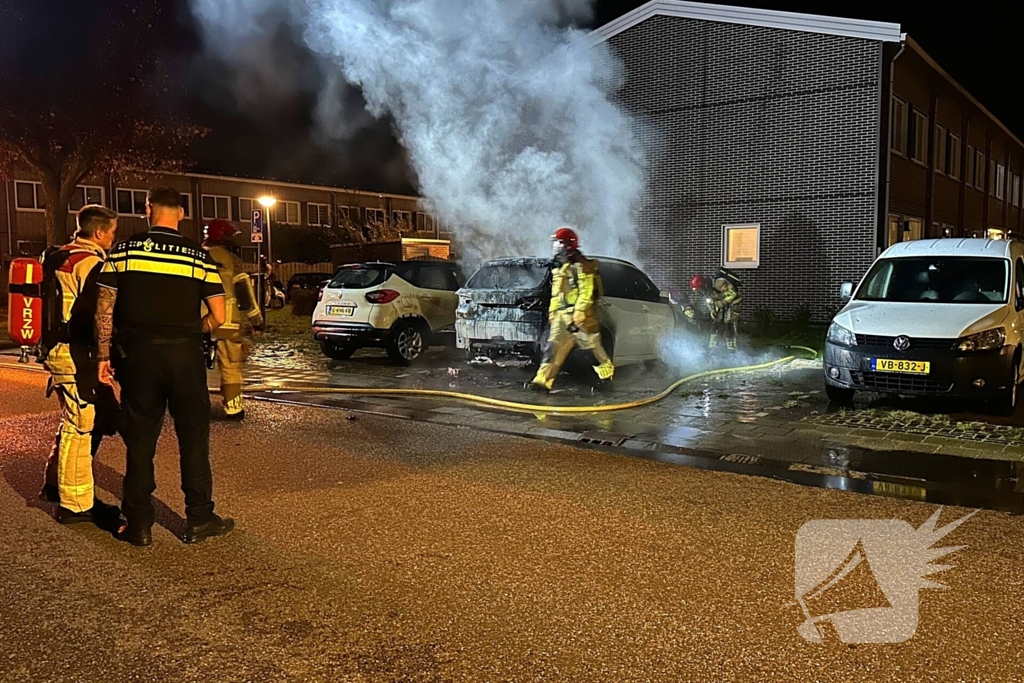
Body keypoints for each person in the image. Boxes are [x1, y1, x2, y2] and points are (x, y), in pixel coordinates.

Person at [95, 186, 232, 547]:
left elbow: (104, 308)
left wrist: (103, 357)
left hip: (139, 357)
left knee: (140, 441)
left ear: (147, 210)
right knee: (194, 438)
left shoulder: (122, 250)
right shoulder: (197, 256)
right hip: (184, 356)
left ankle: (138, 524)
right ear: (182, 213)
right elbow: (220, 315)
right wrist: (192, 330)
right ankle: (199, 518)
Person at [38, 205, 122, 526]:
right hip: (75, 352)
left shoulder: (56, 255)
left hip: (53, 348)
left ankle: (53, 482)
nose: (113, 237)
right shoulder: (92, 264)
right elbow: (98, 316)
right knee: (81, 423)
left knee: (72, 415)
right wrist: (106, 355)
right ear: (98, 232)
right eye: (112, 232)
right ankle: (74, 504)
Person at [531, 227, 614, 392]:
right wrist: (553, 312)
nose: (555, 246)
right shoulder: (559, 267)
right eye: (555, 242)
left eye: (559, 242)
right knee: (553, 347)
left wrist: (579, 313)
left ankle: (606, 378)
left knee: (592, 348)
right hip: (562, 316)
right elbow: (557, 294)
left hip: (580, 317)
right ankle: (542, 381)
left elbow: (586, 292)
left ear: (568, 245)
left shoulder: (582, 266)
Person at [202, 218, 263, 419]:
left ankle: (192, 405)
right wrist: (256, 320)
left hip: (198, 319)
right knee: (230, 364)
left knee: (190, 364)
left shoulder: (196, 255)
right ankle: (233, 408)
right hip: (227, 320)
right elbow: (244, 291)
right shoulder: (232, 260)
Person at [709, 270, 742, 351]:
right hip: (724, 302)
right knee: (717, 322)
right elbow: (712, 300)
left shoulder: (720, 283)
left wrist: (722, 303)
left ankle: (731, 348)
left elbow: (732, 293)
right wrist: (712, 310)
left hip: (734, 302)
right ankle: (714, 346)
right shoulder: (709, 290)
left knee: (730, 323)